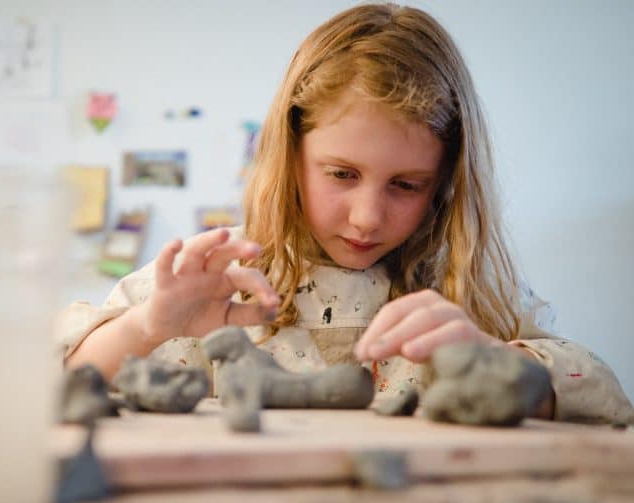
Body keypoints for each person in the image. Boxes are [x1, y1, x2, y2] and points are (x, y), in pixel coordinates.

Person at [57, 3, 633, 424]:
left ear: (445, 185)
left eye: (406, 185)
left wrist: (502, 368)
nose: (366, 218)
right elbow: (54, 383)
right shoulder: (207, 281)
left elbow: (604, 395)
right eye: (341, 175)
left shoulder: (466, 292)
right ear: (290, 153)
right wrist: (149, 327)